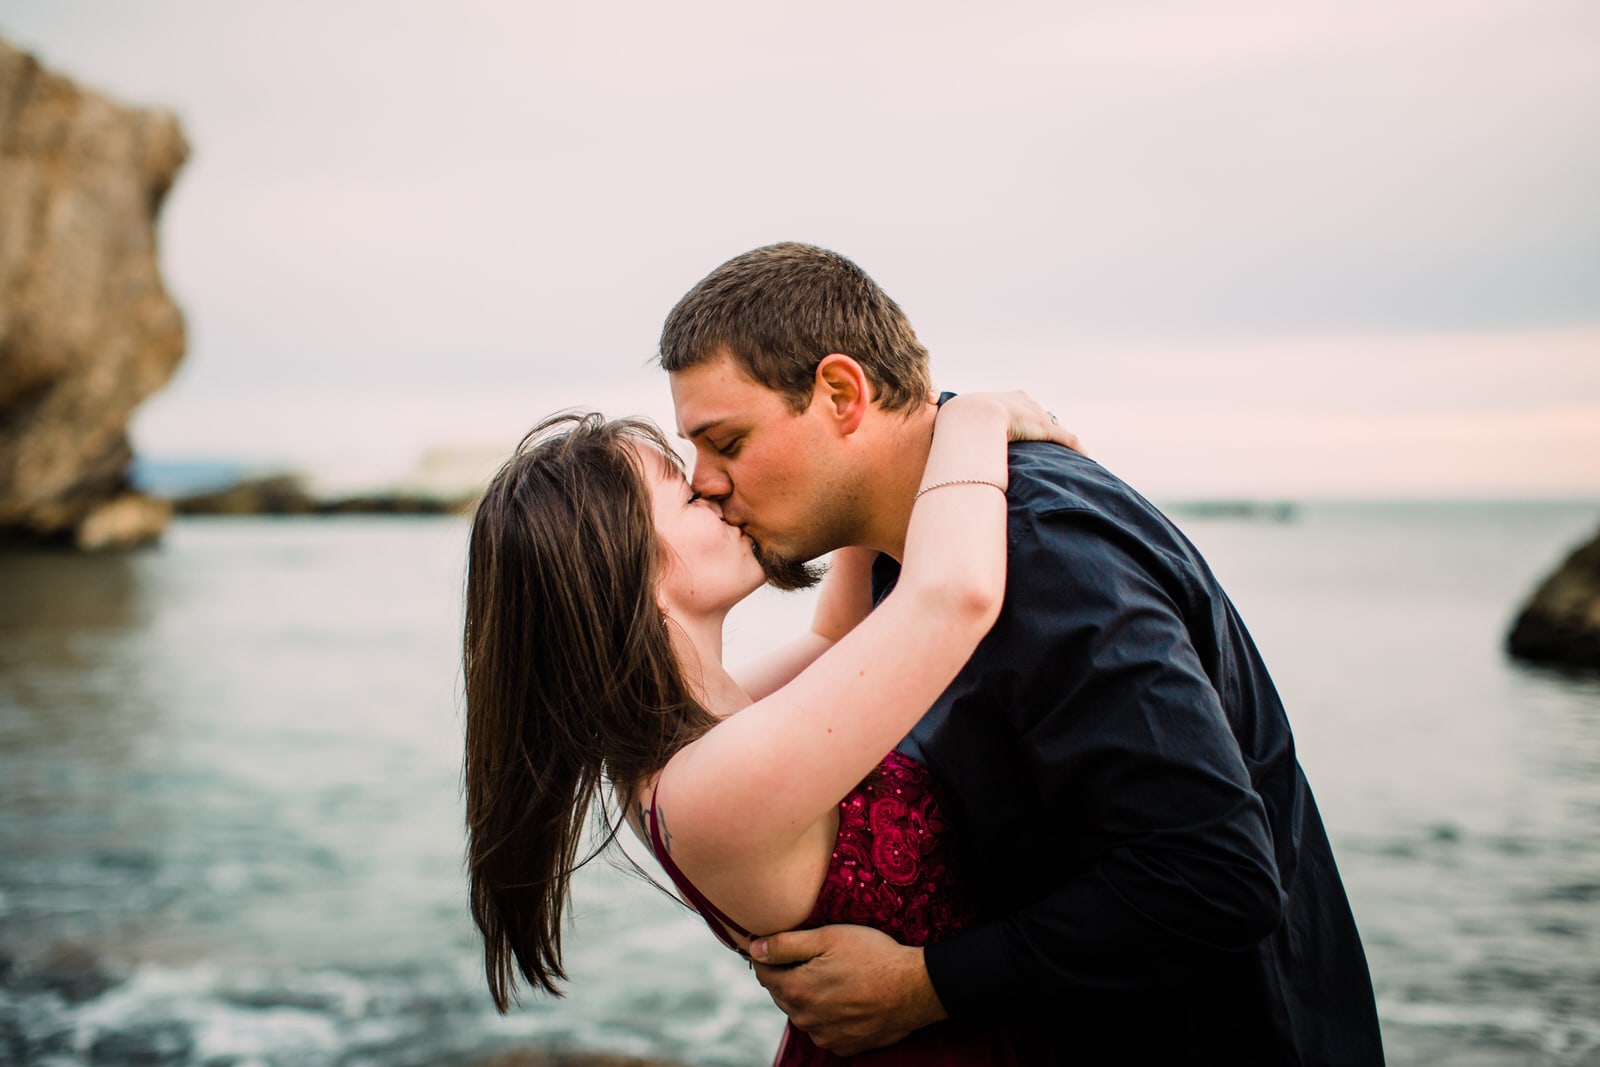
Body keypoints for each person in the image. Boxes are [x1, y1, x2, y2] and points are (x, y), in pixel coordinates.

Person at [659, 242, 1386, 1065]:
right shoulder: (920, 552)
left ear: (840, 394)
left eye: (726, 441)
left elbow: (1214, 871)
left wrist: (926, 984)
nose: (707, 480)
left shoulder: (1042, 553)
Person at [462, 395, 1076, 1065]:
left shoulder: (694, 727)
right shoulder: (711, 786)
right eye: (690, 498)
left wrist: (852, 468)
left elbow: (836, 636)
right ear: (630, 570)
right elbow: (953, 594)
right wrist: (971, 416)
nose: (718, 493)